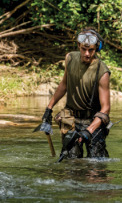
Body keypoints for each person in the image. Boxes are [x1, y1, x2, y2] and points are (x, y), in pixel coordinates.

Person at [41, 28, 111, 159]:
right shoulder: (70, 58)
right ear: (78, 45)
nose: (87, 54)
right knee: (71, 164)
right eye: (84, 49)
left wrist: (88, 131)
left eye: (91, 50)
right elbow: (64, 85)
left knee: (96, 167)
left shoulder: (102, 72)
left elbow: (105, 108)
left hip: (93, 122)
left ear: (97, 48)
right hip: (71, 120)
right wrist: (49, 108)